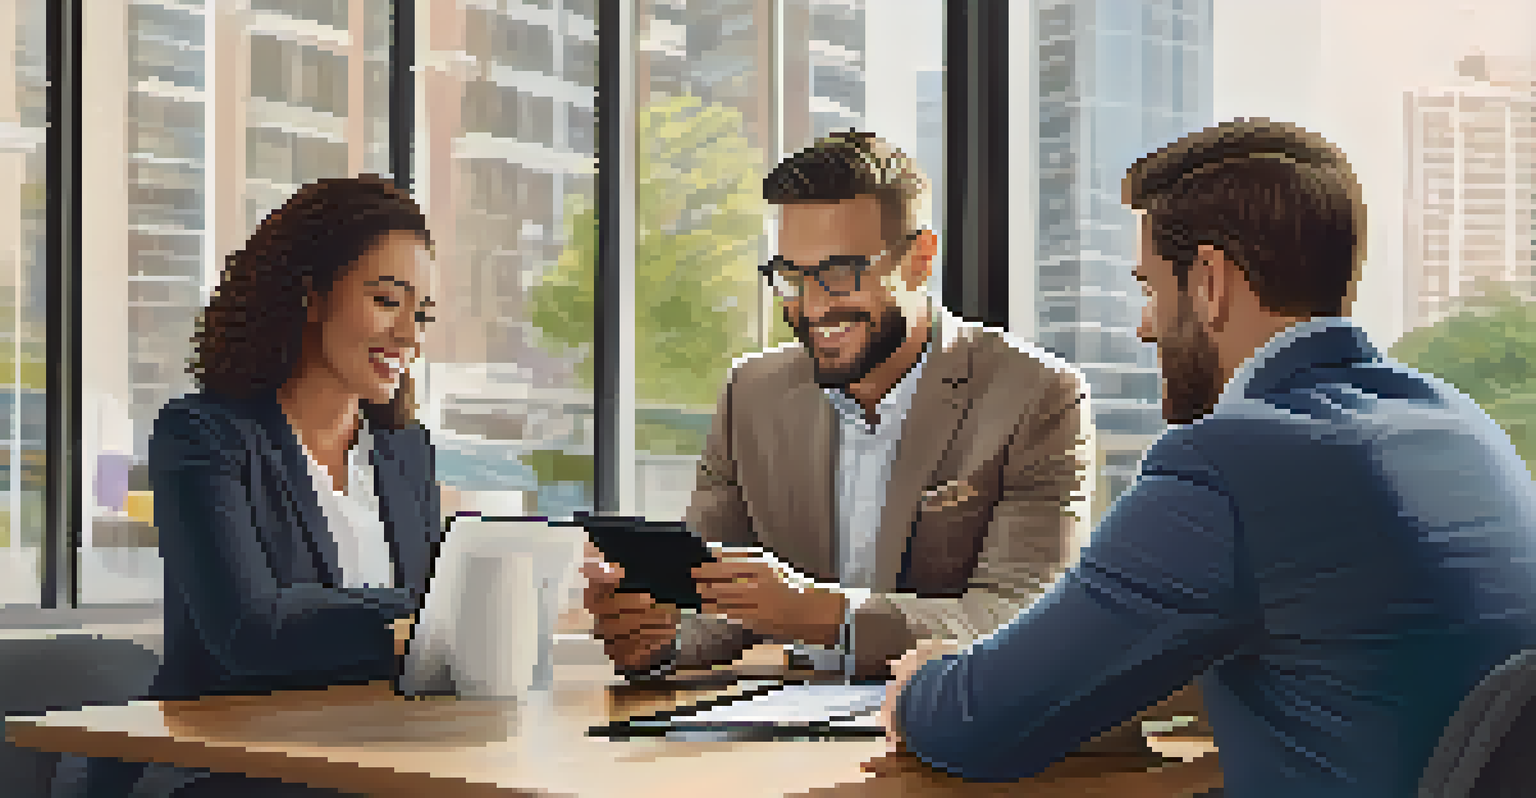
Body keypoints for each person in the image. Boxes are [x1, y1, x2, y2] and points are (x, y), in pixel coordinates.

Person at [883, 118, 1536, 796]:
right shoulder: (1468, 429)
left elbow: (978, 724)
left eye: (1148, 287)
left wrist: (925, 686)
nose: (1144, 324)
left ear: (1209, 282)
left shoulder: (1231, 464)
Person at [582, 130, 1098, 684]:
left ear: (920, 261)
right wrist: (658, 634)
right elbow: (716, 603)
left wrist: (822, 615)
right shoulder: (750, 393)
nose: (812, 306)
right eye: (791, 277)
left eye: (839, 274)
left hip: (952, 733)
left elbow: (1019, 618)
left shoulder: (1037, 396)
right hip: (789, 729)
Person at [60, 175, 441, 797]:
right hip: (221, 768)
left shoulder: (404, 452)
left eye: (422, 314)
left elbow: (432, 639)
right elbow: (249, 631)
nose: (408, 335)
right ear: (311, 294)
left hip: (369, 756)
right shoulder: (203, 435)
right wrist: (424, 616)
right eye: (387, 300)